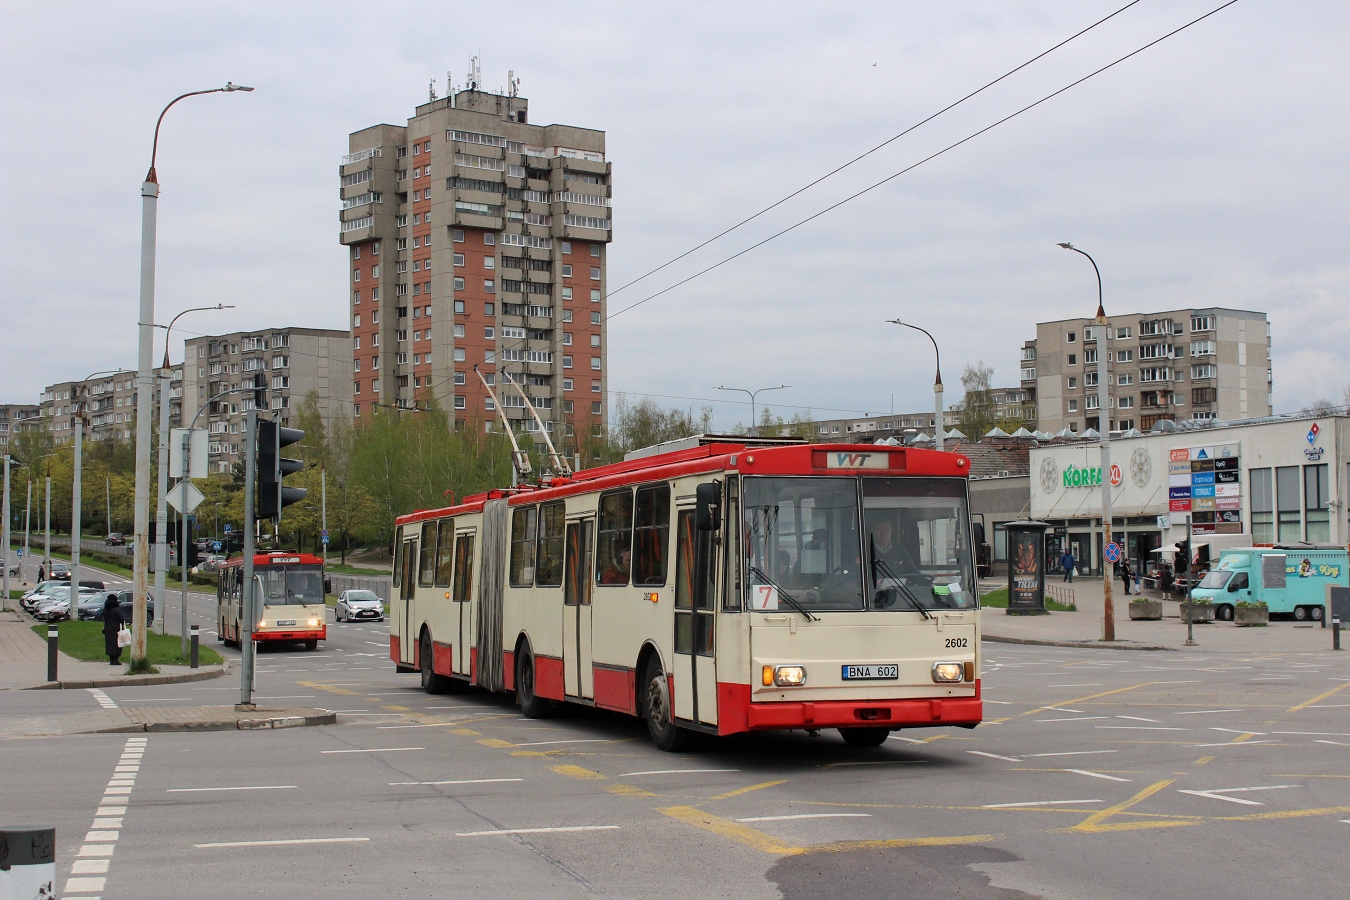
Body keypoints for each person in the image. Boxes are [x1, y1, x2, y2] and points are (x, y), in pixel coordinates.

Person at [101, 595, 125, 666]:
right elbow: (121, 619)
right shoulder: (116, 609)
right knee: (116, 644)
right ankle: (115, 660)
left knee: (109, 644)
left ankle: (111, 660)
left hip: (108, 628)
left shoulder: (106, 608)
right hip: (116, 629)